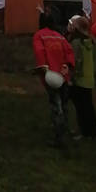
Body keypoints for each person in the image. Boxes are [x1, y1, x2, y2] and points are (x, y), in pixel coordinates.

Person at [32, 10, 75, 147]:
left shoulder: (39, 36)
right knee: (64, 104)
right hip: (64, 76)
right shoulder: (60, 36)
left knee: (56, 106)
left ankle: (59, 138)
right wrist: (68, 66)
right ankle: (66, 130)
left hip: (51, 76)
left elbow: (40, 52)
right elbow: (69, 51)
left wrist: (42, 69)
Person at [66, 14, 96, 139]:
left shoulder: (76, 43)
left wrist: (71, 77)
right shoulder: (88, 41)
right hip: (88, 80)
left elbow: (76, 62)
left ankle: (83, 132)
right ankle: (92, 131)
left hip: (79, 80)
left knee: (81, 108)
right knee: (88, 107)